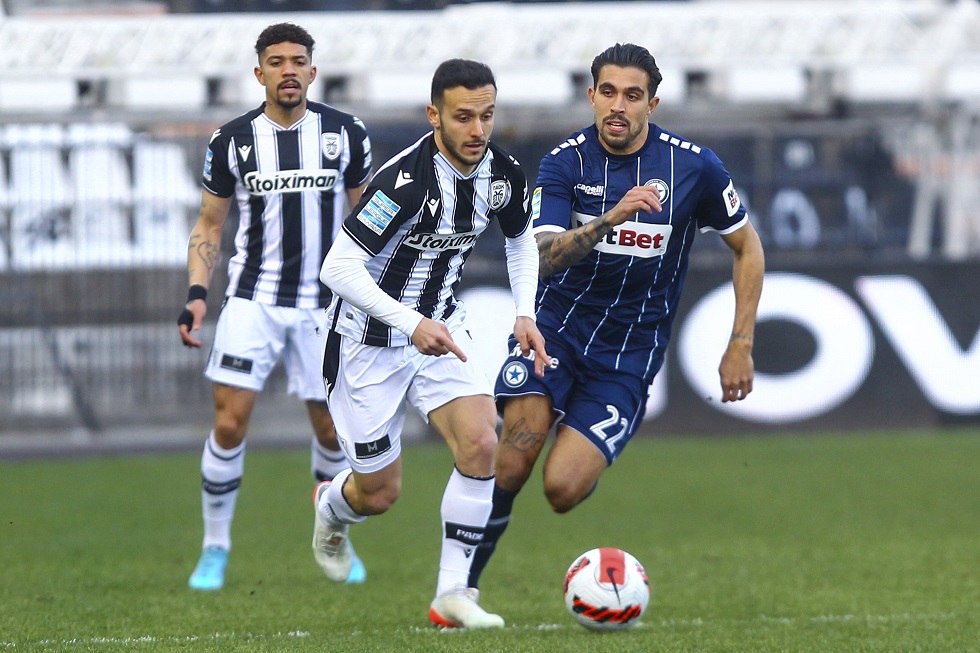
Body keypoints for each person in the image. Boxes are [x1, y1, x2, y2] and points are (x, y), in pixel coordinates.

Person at [466, 43, 766, 593]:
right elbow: (545, 255)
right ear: (591, 96)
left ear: (653, 103)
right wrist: (611, 217)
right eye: (608, 92)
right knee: (512, 462)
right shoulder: (565, 162)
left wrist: (740, 342)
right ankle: (460, 590)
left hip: (629, 352)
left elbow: (748, 247)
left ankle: (585, 457)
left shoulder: (693, 166)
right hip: (556, 330)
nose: (618, 106)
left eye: (632, 95)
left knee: (562, 490)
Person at [313, 58, 549, 629]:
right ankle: (331, 506)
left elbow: (520, 241)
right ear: (434, 115)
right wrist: (407, 322)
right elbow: (337, 268)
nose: (477, 129)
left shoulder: (503, 174)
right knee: (379, 494)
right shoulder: (404, 182)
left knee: (481, 442)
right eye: (463, 116)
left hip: (441, 327)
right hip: (365, 342)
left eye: (487, 115)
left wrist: (524, 311)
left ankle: (452, 594)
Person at [177, 22, 373, 591]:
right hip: (253, 299)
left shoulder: (345, 133)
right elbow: (209, 224)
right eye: (277, 61)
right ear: (258, 71)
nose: (289, 70)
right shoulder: (231, 140)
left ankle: (334, 536)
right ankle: (215, 547)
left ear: (313, 70)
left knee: (333, 433)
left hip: (325, 305)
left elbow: (371, 220)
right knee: (229, 423)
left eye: (298, 60)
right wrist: (196, 296)